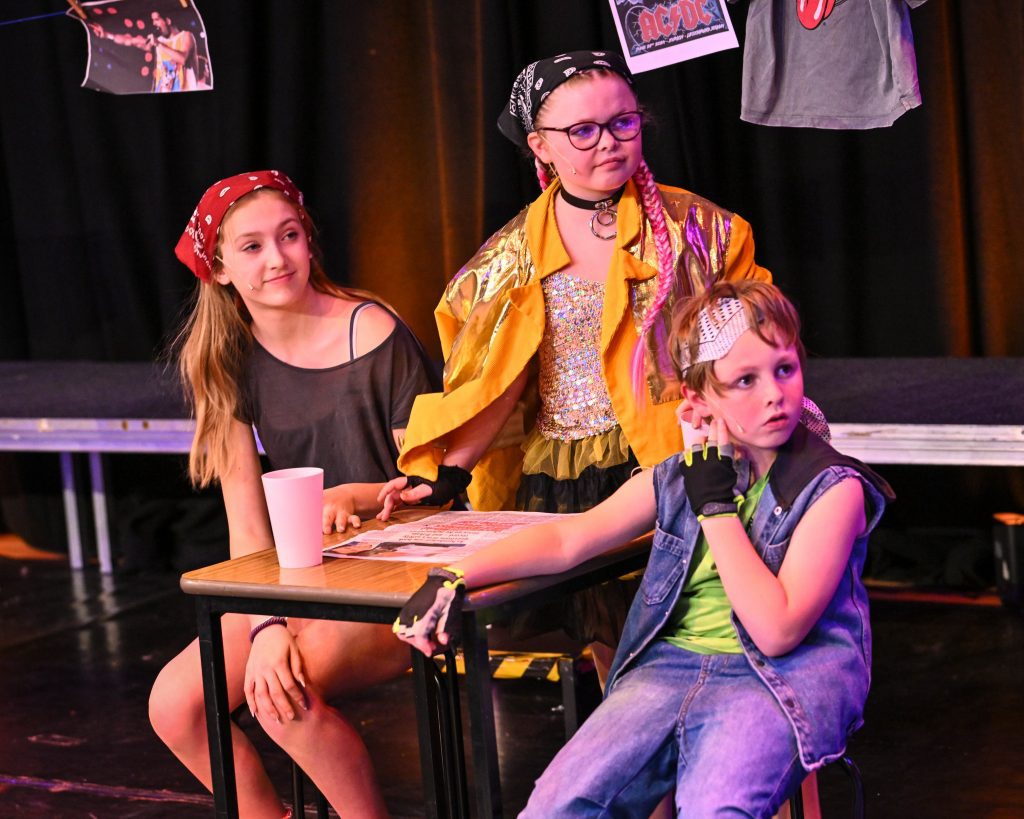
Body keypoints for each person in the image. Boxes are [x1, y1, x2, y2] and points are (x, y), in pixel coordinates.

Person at [395, 280, 894, 817]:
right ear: (700, 400)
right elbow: (571, 538)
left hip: (773, 682)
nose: (774, 393)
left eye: (785, 369)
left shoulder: (832, 488)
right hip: (671, 667)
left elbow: (777, 631)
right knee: (555, 808)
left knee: (715, 810)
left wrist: (717, 508)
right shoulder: (681, 476)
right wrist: (453, 575)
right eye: (744, 380)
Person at [378, 50, 771, 671]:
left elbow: (757, 349)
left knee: (699, 638)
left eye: (624, 123)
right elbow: (496, 383)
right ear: (540, 145)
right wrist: (447, 471)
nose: (609, 142)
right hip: (561, 475)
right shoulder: (505, 262)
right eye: (582, 131)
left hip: (667, 457)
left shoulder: (705, 231)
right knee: (617, 654)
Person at [148, 170, 436, 818]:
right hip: (302, 577)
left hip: (400, 572)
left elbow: (433, 486)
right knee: (175, 703)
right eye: (251, 246)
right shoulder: (228, 361)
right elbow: (248, 530)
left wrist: (354, 495)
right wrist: (268, 622)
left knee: (282, 692)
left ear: (309, 242)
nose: (277, 257)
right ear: (219, 267)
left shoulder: (374, 333)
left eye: (289, 236)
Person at [90, 11, 198, 92]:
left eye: (157, 19)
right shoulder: (159, 40)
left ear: (168, 21)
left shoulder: (186, 36)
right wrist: (107, 35)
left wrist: (159, 44)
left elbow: (182, 59)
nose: (154, 23)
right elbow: (131, 41)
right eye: (152, 21)